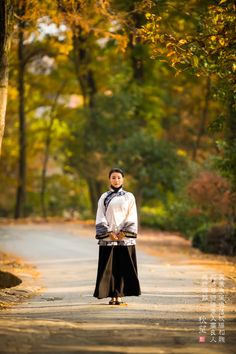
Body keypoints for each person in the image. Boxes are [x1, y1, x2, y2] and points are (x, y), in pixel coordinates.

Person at [93, 167, 141, 305]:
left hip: (124, 238)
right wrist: (108, 233)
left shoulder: (129, 196)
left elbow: (132, 215)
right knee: (110, 268)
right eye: (113, 177)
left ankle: (119, 295)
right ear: (109, 179)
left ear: (123, 179)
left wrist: (123, 233)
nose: (116, 180)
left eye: (119, 177)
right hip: (109, 238)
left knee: (122, 266)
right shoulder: (104, 197)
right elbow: (100, 215)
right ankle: (111, 295)